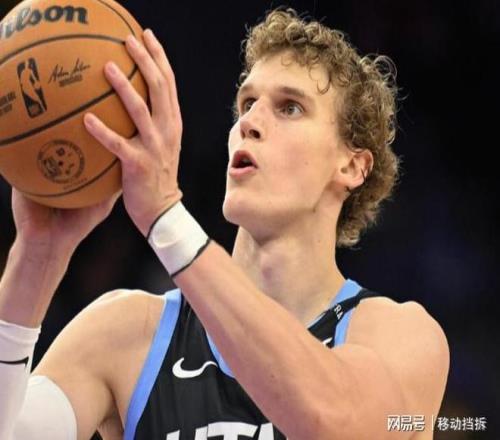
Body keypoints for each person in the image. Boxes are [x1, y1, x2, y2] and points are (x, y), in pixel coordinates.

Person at [0, 8, 449, 440]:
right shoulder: (126, 332)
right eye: (247, 103)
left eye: (290, 107)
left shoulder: (401, 336)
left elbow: (334, 422)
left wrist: (166, 215)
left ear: (352, 166)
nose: (250, 122)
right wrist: (35, 258)